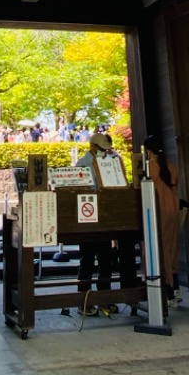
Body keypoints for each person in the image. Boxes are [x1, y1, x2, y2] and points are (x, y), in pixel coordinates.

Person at [74, 132, 118, 316]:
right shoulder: (83, 164)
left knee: (106, 260)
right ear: (93, 147)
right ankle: (84, 301)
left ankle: (104, 299)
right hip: (88, 217)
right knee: (88, 260)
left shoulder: (109, 161)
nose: (105, 152)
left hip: (104, 216)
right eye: (102, 149)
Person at [144, 134, 182, 306]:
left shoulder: (151, 166)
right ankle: (176, 288)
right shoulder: (170, 165)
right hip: (173, 209)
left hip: (159, 210)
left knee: (161, 250)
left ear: (148, 150)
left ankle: (169, 293)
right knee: (172, 248)